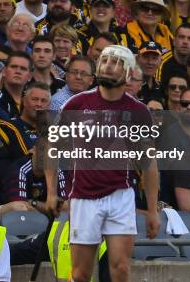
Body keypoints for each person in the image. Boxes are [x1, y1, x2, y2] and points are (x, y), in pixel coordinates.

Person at [45, 45, 160, 282]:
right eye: (105, 60)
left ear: (128, 73)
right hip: (83, 196)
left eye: (117, 62)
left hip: (121, 195)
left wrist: (152, 209)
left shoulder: (138, 111)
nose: (109, 65)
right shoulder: (77, 104)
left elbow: (149, 164)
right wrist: (51, 193)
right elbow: (51, 149)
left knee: (120, 269)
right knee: (80, 274)